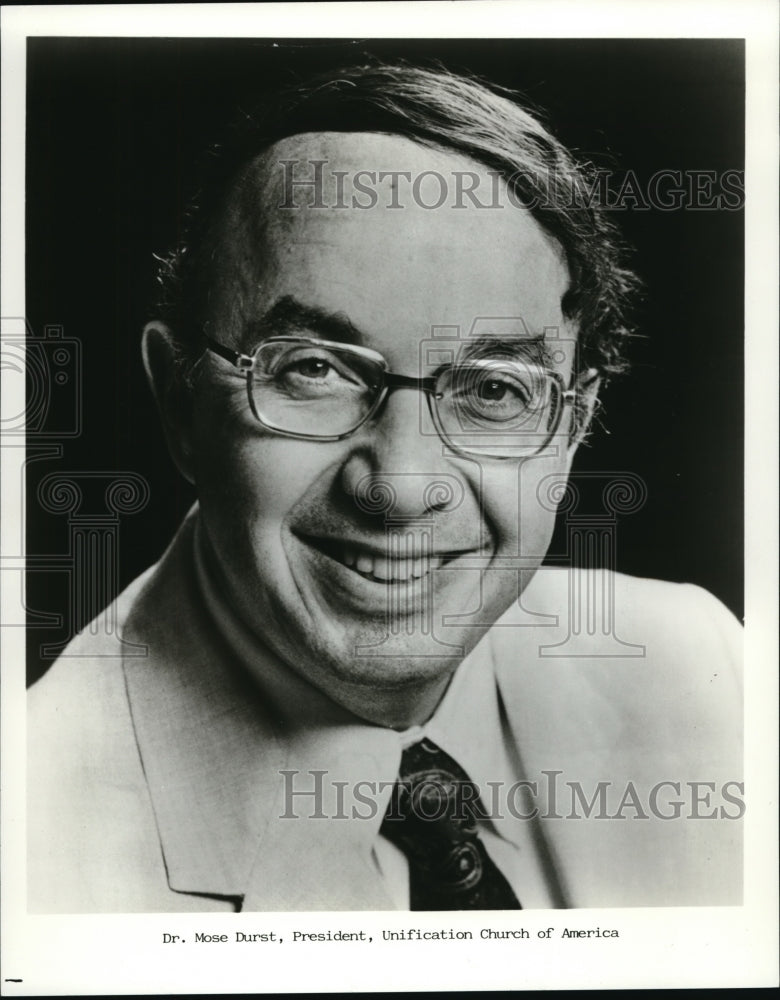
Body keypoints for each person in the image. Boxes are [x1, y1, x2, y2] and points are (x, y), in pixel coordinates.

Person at [28, 62, 742, 913]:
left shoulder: (703, 669)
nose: (400, 485)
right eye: (315, 370)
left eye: (492, 389)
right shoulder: (34, 840)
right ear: (180, 402)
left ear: (574, 425)